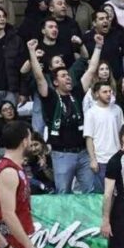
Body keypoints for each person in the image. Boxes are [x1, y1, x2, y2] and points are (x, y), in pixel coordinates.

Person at [27, 39, 89, 194]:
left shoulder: (76, 93)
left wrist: (99, 47)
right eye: (63, 75)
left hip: (83, 153)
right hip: (61, 154)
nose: (68, 77)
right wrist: (32, 52)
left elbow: (91, 69)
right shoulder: (51, 97)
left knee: (91, 192)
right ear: (55, 82)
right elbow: (39, 77)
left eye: (68, 75)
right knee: (63, 193)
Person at [84, 81, 124, 189]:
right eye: (105, 92)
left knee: (120, 191)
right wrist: (93, 159)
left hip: (118, 157)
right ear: (96, 94)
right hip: (101, 160)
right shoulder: (91, 113)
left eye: (110, 91)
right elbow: (89, 138)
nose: (108, 94)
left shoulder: (117, 110)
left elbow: (122, 133)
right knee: (104, 193)